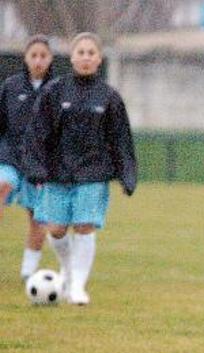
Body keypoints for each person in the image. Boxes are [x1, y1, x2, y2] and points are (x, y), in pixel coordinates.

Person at [22, 32, 136, 305]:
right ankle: (68, 269)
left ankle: (77, 288)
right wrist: (36, 167)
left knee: (85, 227)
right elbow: (38, 133)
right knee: (57, 230)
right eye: (81, 52)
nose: (86, 57)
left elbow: (121, 139)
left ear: (99, 59)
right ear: (72, 57)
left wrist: (127, 174)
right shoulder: (54, 92)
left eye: (91, 53)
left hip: (93, 174)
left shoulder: (110, 97)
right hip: (57, 173)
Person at [0, 35, 54, 280]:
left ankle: (27, 271)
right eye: (34, 55)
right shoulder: (11, 87)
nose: (38, 60)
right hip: (10, 156)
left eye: (43, 56)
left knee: (37, 216)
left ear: (50, 59)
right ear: (26, 58)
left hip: (40, 163)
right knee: (2, 185)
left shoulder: (57, 89)